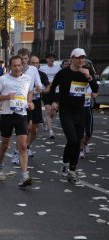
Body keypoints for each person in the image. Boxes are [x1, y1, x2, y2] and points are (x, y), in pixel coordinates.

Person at [49, 48, 98, 184]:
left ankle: (72, 170)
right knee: (72, 140)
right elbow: (52, 88)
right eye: (77, 58)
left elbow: (95, 89)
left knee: (78, 143)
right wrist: (53, 101)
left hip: (80, 111)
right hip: (66, 111)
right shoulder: (63, 73)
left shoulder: (86, 73)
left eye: (82, 57)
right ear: (72, 59)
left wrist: (89, 76)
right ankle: (65, 163)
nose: (80, 60)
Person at [0, 55, 34, 188]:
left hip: (21, 114)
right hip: (7, 114)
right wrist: (6, 97)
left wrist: (30, 103)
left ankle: (24, 175)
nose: (17, 68)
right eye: (14, 65)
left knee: (22, 146)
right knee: (5, 144)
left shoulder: (27, 78)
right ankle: (0, 166)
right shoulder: (3, 80)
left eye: (19, 65)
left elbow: (29, 92)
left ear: (22, 66)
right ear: (10, 67)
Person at [11, 48, 42, 163]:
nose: (23, 61)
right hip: (22, 101)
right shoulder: (15, 70)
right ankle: (17, 151)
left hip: (35, 101)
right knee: (25, 128)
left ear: (28, 58)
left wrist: (39, 86)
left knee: (34, 130)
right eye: (21, 58)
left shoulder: (33, 69)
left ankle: (27, 146)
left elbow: (38, 82)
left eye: (25, 58)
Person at [29, 55, 49, 157]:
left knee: (35, 130)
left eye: (37, 63)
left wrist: (42, 90)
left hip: (36, 103)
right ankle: (22, 148)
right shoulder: (25, 74)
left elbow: (48, 87)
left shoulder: (42, 75)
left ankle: (27, 146)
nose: (35, 65)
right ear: (29, 63)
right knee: (28, 127)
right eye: (33, 63)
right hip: (26, 104)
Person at [39, 53, 61, 139]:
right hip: (47, 91)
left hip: (56, 91)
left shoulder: (58, 68)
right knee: (48, 110)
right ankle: (51, 132)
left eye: (53, 58)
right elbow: (39, 79)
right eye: (50, 58)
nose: (51, 60)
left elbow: (60, 78)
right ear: (47, 59)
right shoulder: (42, 68)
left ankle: (45, 121)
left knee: (54, 112)